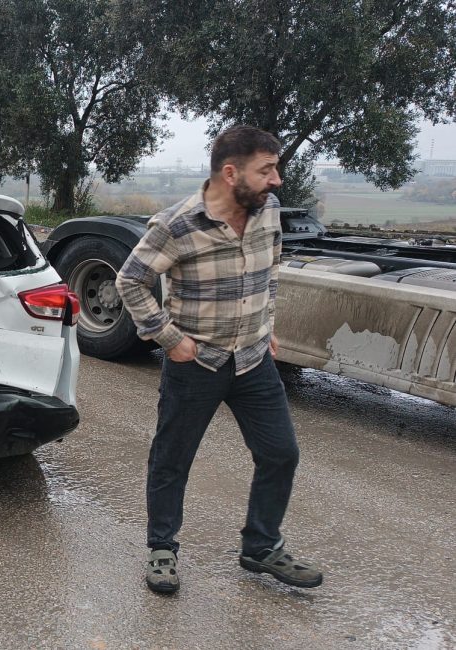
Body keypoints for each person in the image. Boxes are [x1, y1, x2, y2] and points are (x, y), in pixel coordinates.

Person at [115, 125, 323, 593]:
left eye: (276, 168)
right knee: (173, 458)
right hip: (196, 365)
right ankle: (162, 548)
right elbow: (130, 281)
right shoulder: (178, 224)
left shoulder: (266, 211)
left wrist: (266, 326)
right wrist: (169, 340)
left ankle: (260, 547)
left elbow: (271, 268)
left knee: (280, 453)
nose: (277, 180)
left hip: (252, 360)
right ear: (231, 173)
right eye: (266, 169)